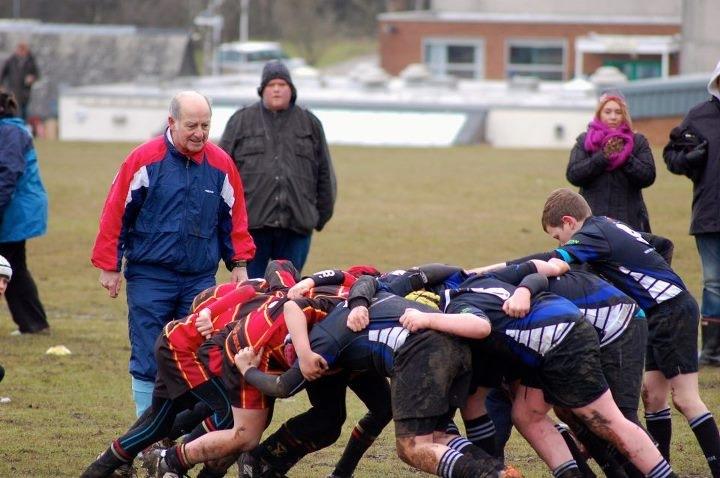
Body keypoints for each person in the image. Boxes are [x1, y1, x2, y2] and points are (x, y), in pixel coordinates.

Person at [530, 188, 720, 477]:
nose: (561, 241)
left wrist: (518, 272)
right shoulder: (608, 224)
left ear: (569, 222)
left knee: (685, 398)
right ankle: (659, 466)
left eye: (558, 235)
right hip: (661, 311)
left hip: (671, 312)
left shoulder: (590, 234)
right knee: (652, 396)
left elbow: (556, 264)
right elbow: (662, 244)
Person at [91, 90, 255, 417]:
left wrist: (238, 263)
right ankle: (145, 430)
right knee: (149, 352)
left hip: (199, 279)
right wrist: (110, 266)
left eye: (206, 126)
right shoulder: (143, 160)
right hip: (150, 275)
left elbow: (234, 218)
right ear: (172, 122)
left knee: (197, 351)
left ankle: (182, 429)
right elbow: (115, 213)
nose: (199, 133)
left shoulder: (221, 164)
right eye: (191, 125)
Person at [219, 60, 336, 278]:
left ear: (291, 90)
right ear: (262, 90)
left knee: (288, 291)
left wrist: (316, 217)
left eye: (282, 84)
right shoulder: (241, 121)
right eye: (271, 84)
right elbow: (220, 171)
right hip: (251, 229)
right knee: (251, 292)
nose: (276, 89)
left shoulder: (310, 123)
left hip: (296, 228)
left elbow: (325, 175)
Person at [663, 60, 720, 367]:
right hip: (711, 213)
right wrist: (689, 158)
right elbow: (671, 155)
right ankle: (711, 350)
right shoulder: (698, 116)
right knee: (713, 282)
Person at [566, 91, 655, 232]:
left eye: (618, 112)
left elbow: (648, 176)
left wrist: (625, 157)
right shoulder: (585, 141)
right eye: (608, 112)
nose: (613, 117)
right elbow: (573, 174)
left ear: (624, 115)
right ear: (599, 114)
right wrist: (603, 157)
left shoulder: (638, 141)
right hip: (591, 221)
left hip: (629, 221)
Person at [0, 89, 49, 335]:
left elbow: (8, 173)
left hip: (15, 209)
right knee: (11, 265)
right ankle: (33, 323)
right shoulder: (9, 130)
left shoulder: (10, 132)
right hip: (13, 207)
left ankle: (34, 324)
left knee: (12, 265)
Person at [1, 42, 39, 121]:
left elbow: (36, 75)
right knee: (13, 111)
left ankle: (22, 128)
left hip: (25, 93)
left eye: (23, 50)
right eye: (20, 49)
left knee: (23, 112)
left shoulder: (31, 61)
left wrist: (32, 78)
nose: (21, 52)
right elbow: (3, 73)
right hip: (12, 91)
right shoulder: (11, 60)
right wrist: (1, 85)